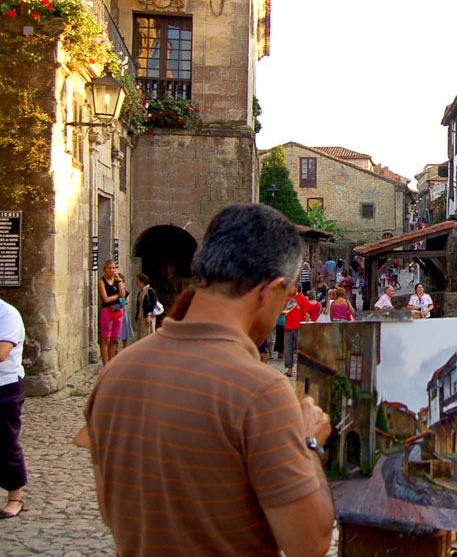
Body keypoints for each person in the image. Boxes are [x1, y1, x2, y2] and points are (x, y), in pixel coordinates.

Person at [81, 203, 334, 556]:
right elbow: (309, 543)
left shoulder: (114, 373)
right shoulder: (260, 391)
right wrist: (307, 444)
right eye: (287, 297)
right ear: (268, 291)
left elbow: (113, 512)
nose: (284, 306)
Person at [0, 298, 26, 519]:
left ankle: (14, 498)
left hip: (5, 387)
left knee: (6, 442)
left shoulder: (7, 315)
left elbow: (2, 352)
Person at [97, 260, 126, 365]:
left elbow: (123, 294)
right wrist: (117, 295)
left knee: (114, 339)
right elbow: (105, 299)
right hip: (107, 310)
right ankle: (105, 363)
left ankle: (112, 362)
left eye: (113, 268)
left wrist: (119, 282)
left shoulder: (117, 280)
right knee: (106, 339)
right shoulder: (101, 281)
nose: (112, 270)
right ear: (105, 269)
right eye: (109, 268)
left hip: (117, 309)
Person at [283, 284, 313, 377]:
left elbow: (307, 313)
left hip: (298, 326)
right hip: (288, 326)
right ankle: (289, 369)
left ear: (296, 288)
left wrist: (307, 326)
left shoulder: (302, 298)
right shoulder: (287, 298)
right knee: (288, 348)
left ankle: (303, 369)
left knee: (300, 349)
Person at [134, 274, 158, 340]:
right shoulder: (141, 291)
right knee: (141, 336)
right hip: (141, 317)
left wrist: (149, 314)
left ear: (142, 281)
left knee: (148, 335)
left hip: (147, 317)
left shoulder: (149, 291)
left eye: (138, 280)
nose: (136, 282)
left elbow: (154, 302)